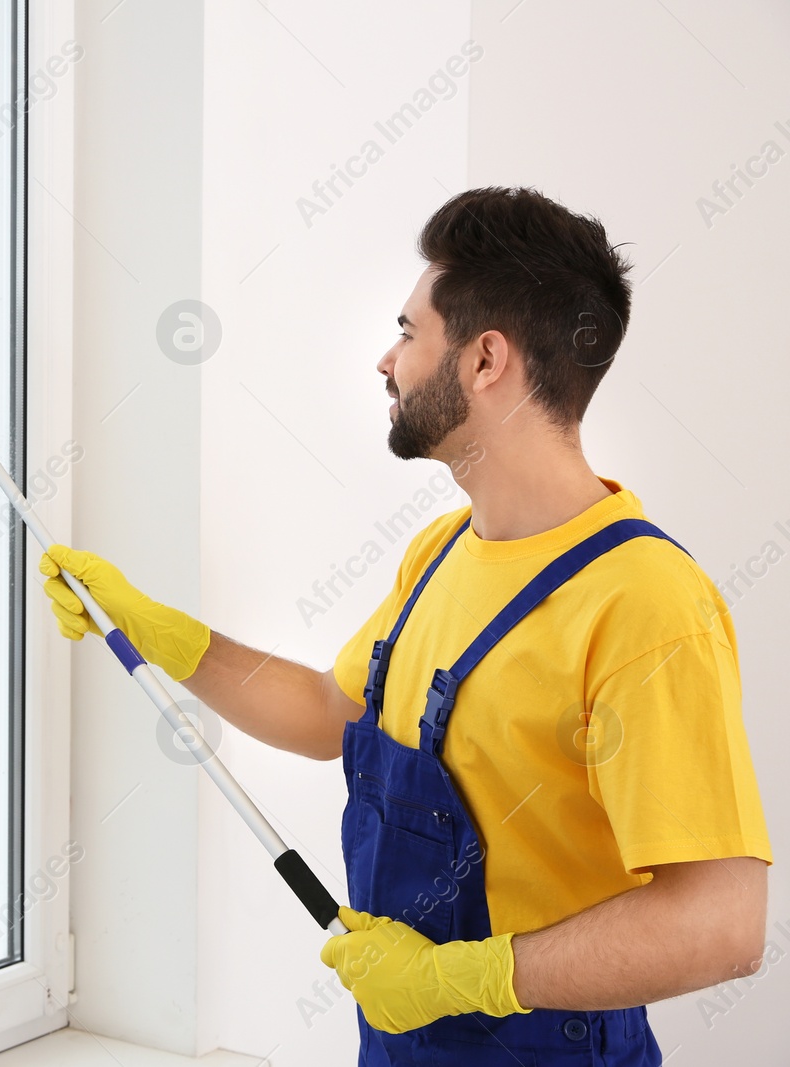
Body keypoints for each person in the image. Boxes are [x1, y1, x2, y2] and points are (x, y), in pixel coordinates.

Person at [39, 187, 771, 1066]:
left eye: (408, 331)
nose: (386, 361)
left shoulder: (645, 604)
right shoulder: (441, 552)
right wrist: (160, 633)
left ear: (485, 359)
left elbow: (723, 924)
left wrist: (459, 980)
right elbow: (330, 711)